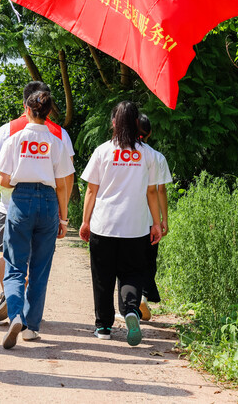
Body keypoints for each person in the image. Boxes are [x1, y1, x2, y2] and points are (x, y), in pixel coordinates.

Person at [0, 89, 73, 349]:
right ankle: (30, 327)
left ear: (27, 110)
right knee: (40, 269)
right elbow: (62, 184)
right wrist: (64, 219)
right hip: (49, 202)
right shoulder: (56, 142)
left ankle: (15, 314)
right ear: (49, 113)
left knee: (15, 265)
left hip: (20, 200)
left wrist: (19, 179)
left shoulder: (14, 139)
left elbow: (4, 179)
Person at [79, 101, 162, 346]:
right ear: (137, 123)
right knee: (133, 273)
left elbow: (91, 191)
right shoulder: (147, 154)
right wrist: (156, 224)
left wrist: (85, 222)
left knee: (102, 276)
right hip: (136, 228)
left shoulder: (103, 151)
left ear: (114, 123)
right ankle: (130, 311)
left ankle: (103, 326)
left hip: (104, 225)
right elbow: (152, 193)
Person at [136, 113, 171, 320]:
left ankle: (132, 301)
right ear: (150, 133)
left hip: (130, 218)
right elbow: (160, 190)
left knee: (129, 260)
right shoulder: (157, 156)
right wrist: (163, 219)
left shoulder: (124, 154)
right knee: (149, 260)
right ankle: (143, 297)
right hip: (151, 221)